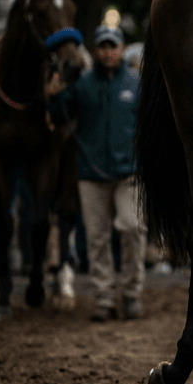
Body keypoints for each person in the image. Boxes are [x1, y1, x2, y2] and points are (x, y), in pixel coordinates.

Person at [48, 25, 146, 320]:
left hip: (130, 173)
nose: (108, 52)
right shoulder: (82, 85)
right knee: (97, 238)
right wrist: (54, 96)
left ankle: (131, 293)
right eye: (103, 46)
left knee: (132, 228)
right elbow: (59, 117)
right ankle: (104, 298)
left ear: (121, 48)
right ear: (95, 50)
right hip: (90, 173)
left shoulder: (137, 83)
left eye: (113, 46)